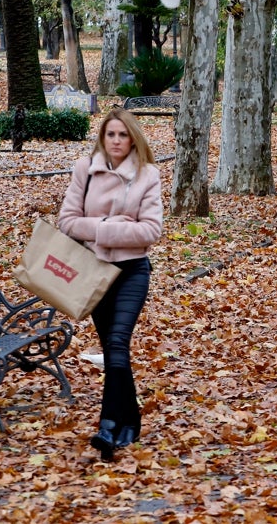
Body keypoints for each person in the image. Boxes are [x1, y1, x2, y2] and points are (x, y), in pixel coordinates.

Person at [58, 107, 163, 461]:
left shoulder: (148, 175)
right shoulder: (84, 170)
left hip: (132, 271)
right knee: (114, 351)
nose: (116, 141)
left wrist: (98, 229)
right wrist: (112, 224)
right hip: (94, 272)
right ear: (102, 137)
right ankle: (130, 419)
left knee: (117, 343)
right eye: (110, 134)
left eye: (122, 134)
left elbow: (151, 231)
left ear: (133, 137)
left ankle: (107, 425)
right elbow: (67, 222)